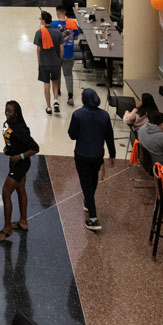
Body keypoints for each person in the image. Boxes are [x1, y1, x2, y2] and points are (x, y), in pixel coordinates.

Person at [68, 89, 116, 231]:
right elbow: (109, 137)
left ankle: (94, 218)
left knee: (86, 185)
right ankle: (88, 203)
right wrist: (112, 154)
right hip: (97, 156)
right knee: (93, 179)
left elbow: (72, 135)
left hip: (82, 155)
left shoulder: (77, 115)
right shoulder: (105, 116)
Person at [0, 100, 40, 243]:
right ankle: (23, 222)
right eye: (6, 110)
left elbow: (35, 148)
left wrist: (18, 156)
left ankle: (7, 228)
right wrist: (8, 148)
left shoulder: (21, 129)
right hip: (13, 161)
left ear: (16, 113)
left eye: (10, 111)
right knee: (20, 190)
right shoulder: (7, 124)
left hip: (21, 164)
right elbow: (9, 139)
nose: (7, 113)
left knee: (6, 193)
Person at [35, 11, 64, 115]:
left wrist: (39, 61)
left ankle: (48, 107)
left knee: (46, 83)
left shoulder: (39, 33)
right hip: (55, 62)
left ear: (43, 21)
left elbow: (38, 49)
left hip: (44, 63)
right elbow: (61, 49)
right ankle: (56, 100)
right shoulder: (58, 33)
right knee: (55, 81)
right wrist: (59, 60)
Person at [54, 5, 82, 106]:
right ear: (65, 12)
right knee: (68, 74)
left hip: (56, 55)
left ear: (57, 13)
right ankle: (70, 96)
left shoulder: (53, 25)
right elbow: (76, 38)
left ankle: (58, 91)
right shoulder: (72, 23)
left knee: (57, 74)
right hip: (69, 54)